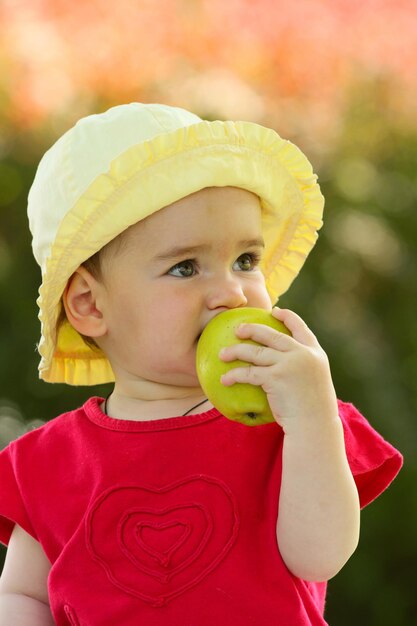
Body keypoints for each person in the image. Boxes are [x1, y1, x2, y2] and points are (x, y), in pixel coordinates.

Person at [0, 103, 402, 625]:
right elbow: (23, 597)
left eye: (246, 261)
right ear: (91, 306)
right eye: (185, 267)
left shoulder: (295, 425)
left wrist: (311, 414)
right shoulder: (48, 463)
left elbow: (320, 557)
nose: (231, 292)